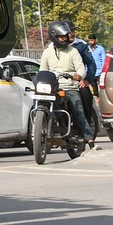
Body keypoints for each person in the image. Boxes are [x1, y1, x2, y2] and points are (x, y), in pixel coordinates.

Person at [38, 19, 94, 147]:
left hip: (70, 87)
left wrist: (79, 75)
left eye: (65, 37)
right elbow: (43, 70)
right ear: (54, 37)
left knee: (78, 110)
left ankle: (89, 138)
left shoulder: (73, 51)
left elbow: (81, 67)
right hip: (52, 88)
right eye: (62, 37)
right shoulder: (47, 52)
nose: (65, 39)